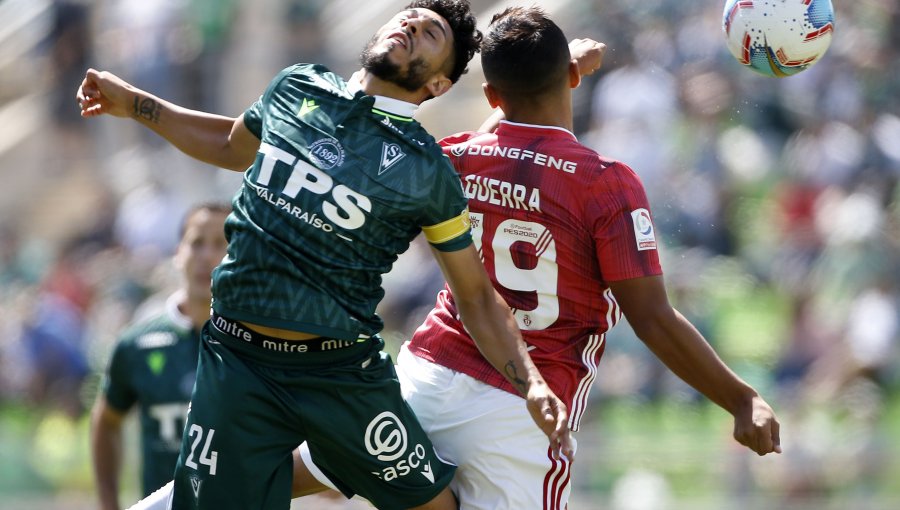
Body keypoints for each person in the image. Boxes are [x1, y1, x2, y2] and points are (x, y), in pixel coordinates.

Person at [76, 1, 572, 509]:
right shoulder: (297, 86)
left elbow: (476, 297)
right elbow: (229, 143)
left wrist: (530, 384)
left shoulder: (426, 168)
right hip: (238, 360)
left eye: (430, 34)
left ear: (439, 85)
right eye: (409, 17)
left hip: (339, 376)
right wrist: (133, 103)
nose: (411, 27)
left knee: (435, 506)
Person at [291, 7, 781, 509]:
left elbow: (497, 142)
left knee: (287, 474)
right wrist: (741, 398)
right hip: (522, 409)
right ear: (571, 79)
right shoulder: (606, 183)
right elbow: (652, 318)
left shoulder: (458, 156)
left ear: (491, 96)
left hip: (427, 377)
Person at [91, 203, 230, 510]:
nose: (206, 255)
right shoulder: (137, 344)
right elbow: (106, 420)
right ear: (178, 253)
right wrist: (108, 502)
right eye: (196, 242)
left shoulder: (262, 343)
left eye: (220, 244)